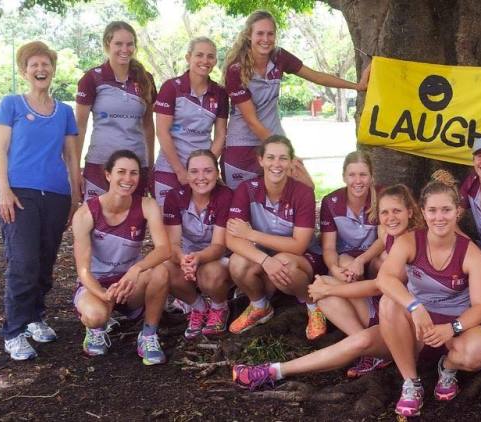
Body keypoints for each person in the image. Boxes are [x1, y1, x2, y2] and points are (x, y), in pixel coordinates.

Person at [231, 184, 424, 389]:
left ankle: (273, 371)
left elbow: (378, 287)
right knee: (322, 286)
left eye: (397, 211)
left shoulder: (411, 241)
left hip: (407, 327)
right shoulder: (391, 236)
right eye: (385, 212)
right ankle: (374, 355)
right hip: (387, 311)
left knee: (357, 337)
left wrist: (330, 289)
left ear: (410, 212)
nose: (390, 217)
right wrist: (326, 288)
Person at [377, 170, 481, 418]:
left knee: (479, 351)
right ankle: (411, 383)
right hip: (419, 324)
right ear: (423, 211)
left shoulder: (471, 253)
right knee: (388, 302)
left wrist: (453, 328)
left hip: (454, 328)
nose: (439, 217)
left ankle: (448, 367)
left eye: (446, 210)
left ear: (457, 212)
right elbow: (384, 278)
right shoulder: (409, 241)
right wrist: (414, 307)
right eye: (432, 211)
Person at [0, 41, 81, 360]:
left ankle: (34, 318)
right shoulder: (12, 104)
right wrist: (3, 190)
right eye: (34, 65)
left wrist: (75, 196)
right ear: (24, 71)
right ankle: (13, 331)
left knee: (44, 261)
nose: (41, 69)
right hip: (19, 194)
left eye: (46, 64)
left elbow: (72, 157)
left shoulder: (65, 112)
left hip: (56, 195)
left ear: (53, 69)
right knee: (24, 262)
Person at [221, 10, 369, 189]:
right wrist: (283, 151)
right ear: (248, 36)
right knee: (242, 208)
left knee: (305, 188)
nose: (265, 39)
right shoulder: (235, 69)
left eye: (270, 34)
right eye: (260, 33)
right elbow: (252, 122)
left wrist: (356, 86)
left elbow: (316, 76)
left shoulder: (279, 57)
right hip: (242, 147)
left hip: (274, 140)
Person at [71, 150, 171, 365]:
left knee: (161, 271)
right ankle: (96, 329)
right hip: (96, 285)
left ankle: (148, 336)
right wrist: (104, 295)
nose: (128, 179)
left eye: (134, 173)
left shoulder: (147, 205)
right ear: (108, 175)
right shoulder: (86, 213)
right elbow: (83, 271)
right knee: (97, 315)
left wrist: (135, 270)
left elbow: (164, 249)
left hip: (128, 283)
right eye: (121, 172)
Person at [225, 135, 317, 337]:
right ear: (261, 160)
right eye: (271, 157)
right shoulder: (246, 189)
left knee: (284, 261)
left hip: (300, 260)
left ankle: (313, 306)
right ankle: (260, 306)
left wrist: (251, 234)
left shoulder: (303, 192)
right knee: (237, 262)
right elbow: (231, 239)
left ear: (292, 162)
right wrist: (265, 260)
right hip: (266, 257)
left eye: (283, 158)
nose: (276, 164)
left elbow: (299, 246)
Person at [301, 151, 381, 341]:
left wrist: (362, 260)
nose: (358, 181)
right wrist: (334, 268)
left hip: (373, 256)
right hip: (347, 257)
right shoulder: (331, 202)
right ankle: (364, 326)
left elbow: (386, 239)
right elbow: (329, 248)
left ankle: (377, 312)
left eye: (363, 175)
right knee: (344, 264)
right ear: (344, 176)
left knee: (384, 260)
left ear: (371, 177)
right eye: (352, 175)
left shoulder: (382, 197)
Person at [76, 21, 156, 199]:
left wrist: (149, 166)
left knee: (133, 223)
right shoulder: (91, 78)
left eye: (130, 44)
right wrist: (74, 170)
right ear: (107, 44)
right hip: (99, 163)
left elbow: (148, 127)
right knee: (95, 222)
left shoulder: (145, 78)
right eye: (118, 44)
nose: (125, 49)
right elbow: (79, 127)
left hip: (135, 166)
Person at [162, 150, 232, 339]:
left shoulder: (225, 196)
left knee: (211, 273)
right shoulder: (174, 196)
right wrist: (182, 259)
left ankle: (219, 306)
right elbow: (173, 244)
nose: (201, 177)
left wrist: (198, 258)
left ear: (217, 174)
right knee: (163, 269)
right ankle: (199, 307)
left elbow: (219, 246)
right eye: (194, 171)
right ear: (187, 174)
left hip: (220, 257)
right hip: (189, 255)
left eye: (207, 171)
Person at [152, 37, 228, 209]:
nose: (205, 61)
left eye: (210, 56)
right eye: (199, 55)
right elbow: (162, 132)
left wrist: (205, 168)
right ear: (188, 57)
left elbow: (221, 134)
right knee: (167, 226)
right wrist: (180, 171)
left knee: (198, 225)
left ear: (215, 61)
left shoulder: (220, 93)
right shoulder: (171, 87)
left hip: (202, 172)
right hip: (170, 168)